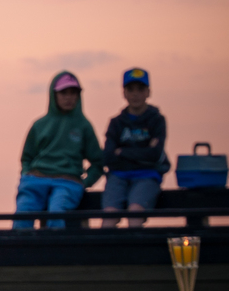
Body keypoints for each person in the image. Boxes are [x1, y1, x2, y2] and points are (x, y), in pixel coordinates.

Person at [13, 72, 102, 229]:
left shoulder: (83, 125)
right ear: (54, 95)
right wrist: (26, 175)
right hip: (36, 179)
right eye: (63, 93)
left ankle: (54, 252)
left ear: (79, 95)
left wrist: (85, 182)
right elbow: (27, 157)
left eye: (73, 93)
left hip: (67, 182)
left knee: (57, 212)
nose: (69, 97)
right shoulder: (39, 125)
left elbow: (99, 162)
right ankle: (18, 252)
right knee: (24, 212)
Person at [101, 68, 168, 228]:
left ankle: (136, 252)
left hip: (147, 176)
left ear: (148, 92)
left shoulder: (157, 120)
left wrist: (122, 152)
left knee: (135, 212)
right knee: (109, 215)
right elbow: (108, 156)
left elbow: (154, 154)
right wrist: (140, 154)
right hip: (117, 177)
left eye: (140, 89)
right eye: (131, 89)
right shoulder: (116, 123)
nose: (135, 94)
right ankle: (105, 253)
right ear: (124, 93)